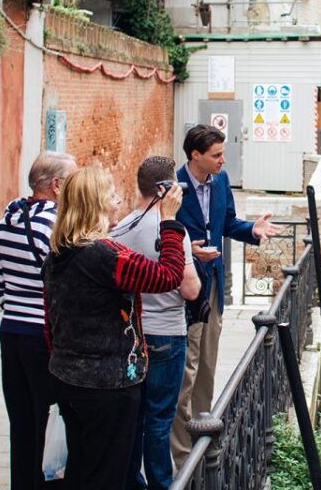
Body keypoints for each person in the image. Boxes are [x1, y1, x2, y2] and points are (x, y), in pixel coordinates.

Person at [43, 166, 187, 489]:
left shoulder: (58, 253)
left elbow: (49, 321)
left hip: (68, 378)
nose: (117, 202)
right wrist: (170, 222)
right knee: (108, 474)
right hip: (108, 386)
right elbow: (168, 276)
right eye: (110, 196)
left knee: (82, 468)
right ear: (95, 204)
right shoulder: (106, 257)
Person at [170, 125, 282, 467]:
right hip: (186, 287)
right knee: (185, 369)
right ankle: (183, 453)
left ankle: (203, 431)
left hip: (214, 285)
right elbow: (162, 234)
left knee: (206, 362)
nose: (223, 160)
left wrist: (252, 229)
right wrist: (189, 249)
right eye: (217, 155)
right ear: (195, 156)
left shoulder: (220, 181)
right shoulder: (174, 188)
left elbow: (228, 223)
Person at [0, 151, 76, 489]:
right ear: (56, 186)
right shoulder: (57, 228)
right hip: (45, 336)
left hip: (11, 332)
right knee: (50, 417)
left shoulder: (7, 221)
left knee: (22, 421)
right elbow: (65, 286)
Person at [111, 157, 200, 490]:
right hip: (166, 335)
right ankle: (162, 483)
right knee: (160, 419)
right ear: (165, 189)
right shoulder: (171, 230)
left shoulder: (121, 228)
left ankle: (133, 483)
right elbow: (190, 289)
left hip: (131, 335)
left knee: (134, 419)